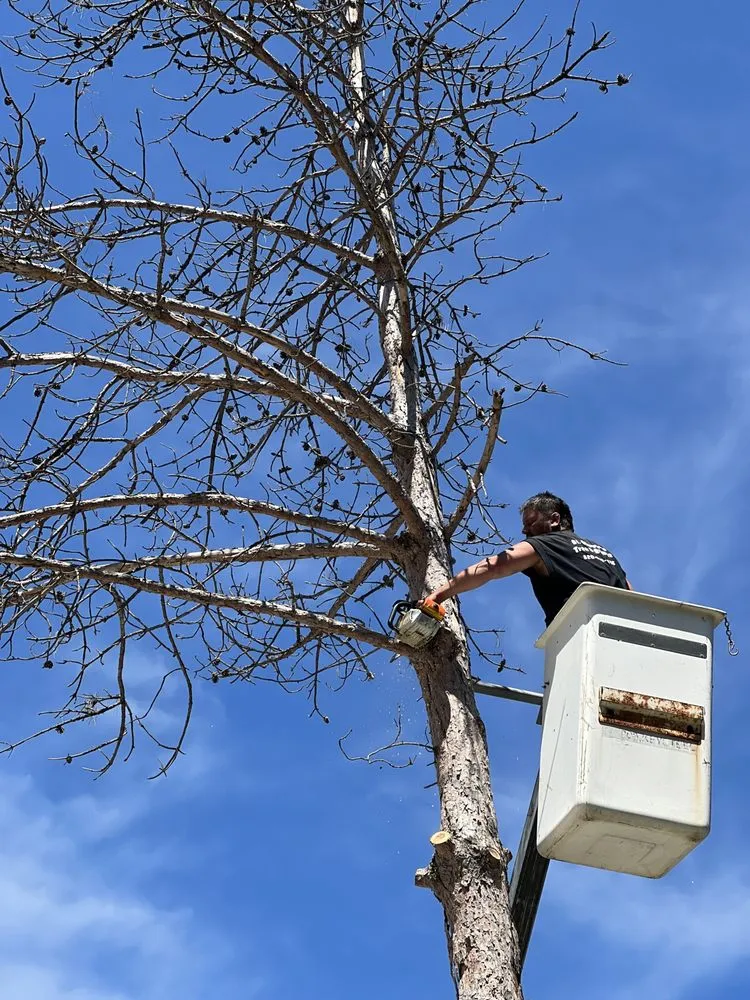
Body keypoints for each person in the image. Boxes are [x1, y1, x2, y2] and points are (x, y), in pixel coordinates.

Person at [424, 491, 632, 627]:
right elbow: (634, 597)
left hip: (578, 634)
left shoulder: (545, 544)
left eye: (531, 522)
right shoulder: (606, 554)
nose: (525, 530)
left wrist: (439, 595)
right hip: (626, 633)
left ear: (554, 519)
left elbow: (492, 567)